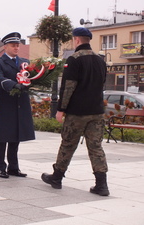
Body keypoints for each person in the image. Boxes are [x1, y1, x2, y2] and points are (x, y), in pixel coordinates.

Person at [41, 27, 110, 196]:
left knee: (68, 144)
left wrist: (60, 110)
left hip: (77, 112)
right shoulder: (100, 60)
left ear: (77, 40)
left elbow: (68, 87)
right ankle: (102, 184)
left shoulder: (74, 60)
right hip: (97, 111)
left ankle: (57, 178)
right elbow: (101, 84)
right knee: (96, 147)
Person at [0, 32, 35, 179]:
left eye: (17, 45)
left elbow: (31, 77)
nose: (16, 48)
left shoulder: (24, 62)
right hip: (6, 103)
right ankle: (1, 167)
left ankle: (13, 167)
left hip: (20, 103)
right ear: (5, 47)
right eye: (13, 45)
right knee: (3, 137)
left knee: (16, 136)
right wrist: (14, 85)